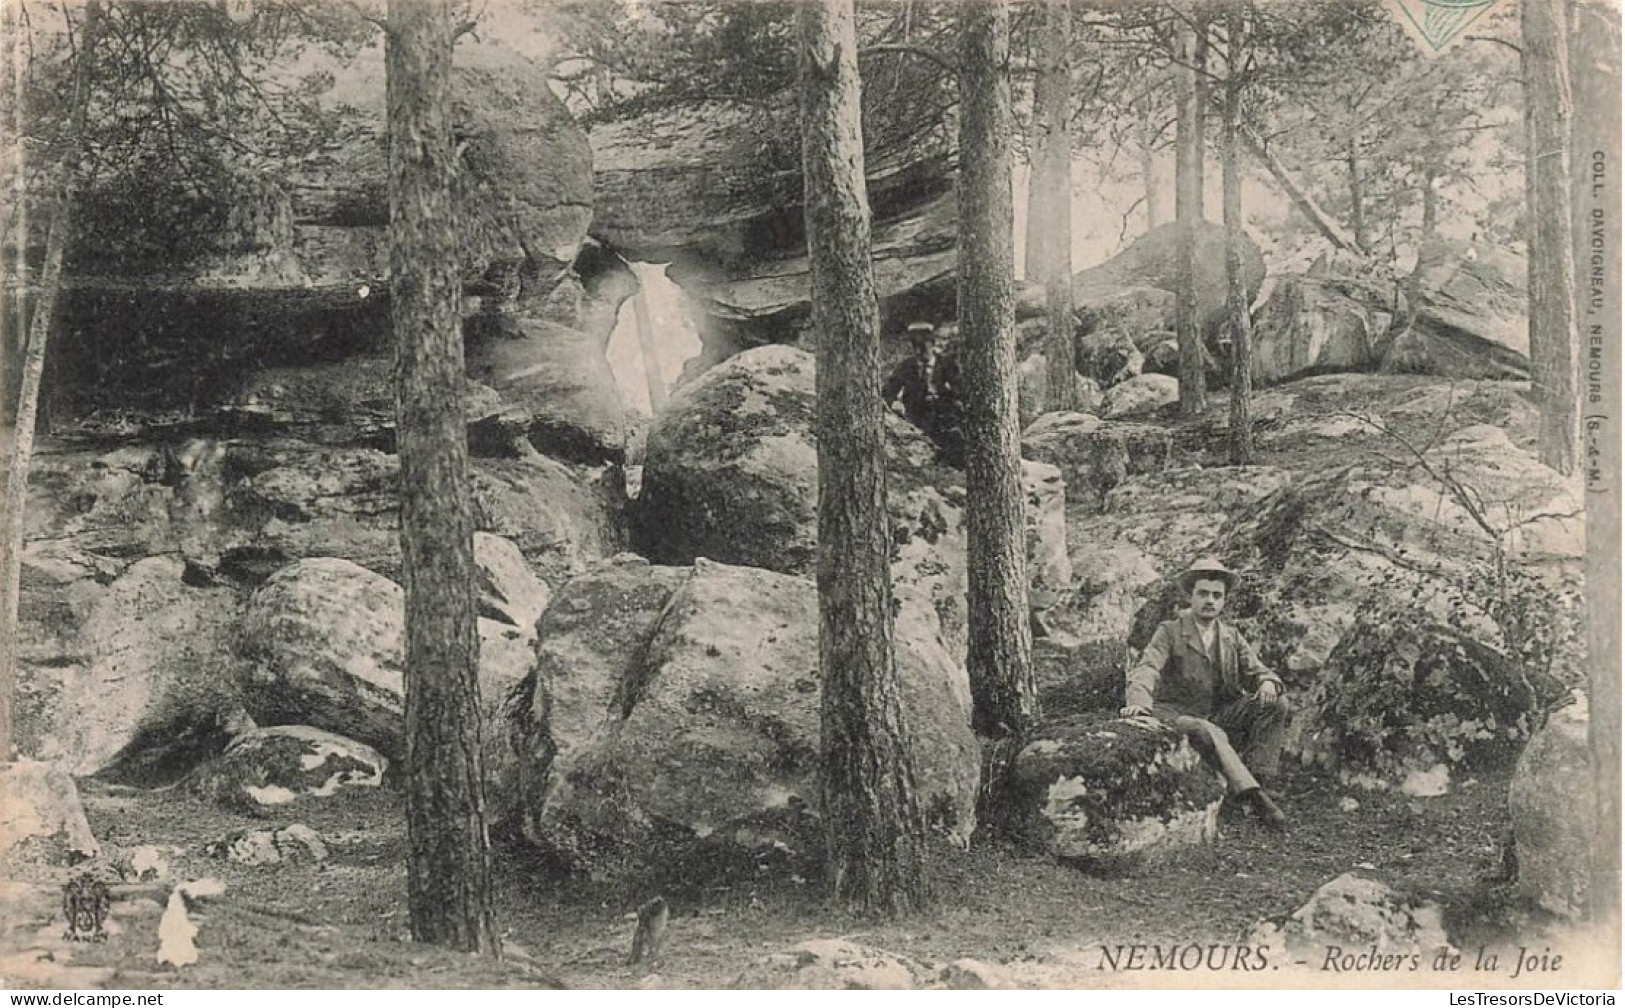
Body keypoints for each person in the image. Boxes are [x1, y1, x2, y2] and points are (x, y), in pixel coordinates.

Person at [1122, 558, 1291, 831]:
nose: (1209, 601)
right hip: (1177, 713)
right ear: (1190, 596)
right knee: (1205, 728)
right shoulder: (1170, 631)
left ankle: (1262, 779)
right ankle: (1256, 798)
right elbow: (1148, 667)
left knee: (1276, 703)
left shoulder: (1231, 636)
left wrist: (1268, 682)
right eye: (1203, 593)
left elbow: (1258, 670)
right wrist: (1138, 703)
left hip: (1218, 713)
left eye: (1217, 595)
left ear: (1224, 601)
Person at [881, 321, 965, 468]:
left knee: (955, 442)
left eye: (923, 347)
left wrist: (950, 399)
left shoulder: (947, 365)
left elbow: (960, 392)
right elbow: (887, 391)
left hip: (945, 418)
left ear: (933, 344)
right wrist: (894, 403)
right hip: (917, 417)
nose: (919, 353)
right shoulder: (907, 366)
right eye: (915, 348)